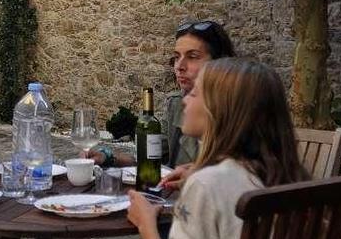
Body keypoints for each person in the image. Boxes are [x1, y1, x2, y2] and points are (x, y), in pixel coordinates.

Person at [127, 58, 309, 239]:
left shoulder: (207, 184)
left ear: (219, 111)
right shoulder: (293, 178)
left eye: (194, 94)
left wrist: (145, 223)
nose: (185, 100)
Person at [88, 20, 236, 183]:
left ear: (220, 63)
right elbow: (151, 157)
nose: (179, 66)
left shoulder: (239, 110)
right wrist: (107, 156)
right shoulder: (176, 104)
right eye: (177, 57)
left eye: (192, 56)